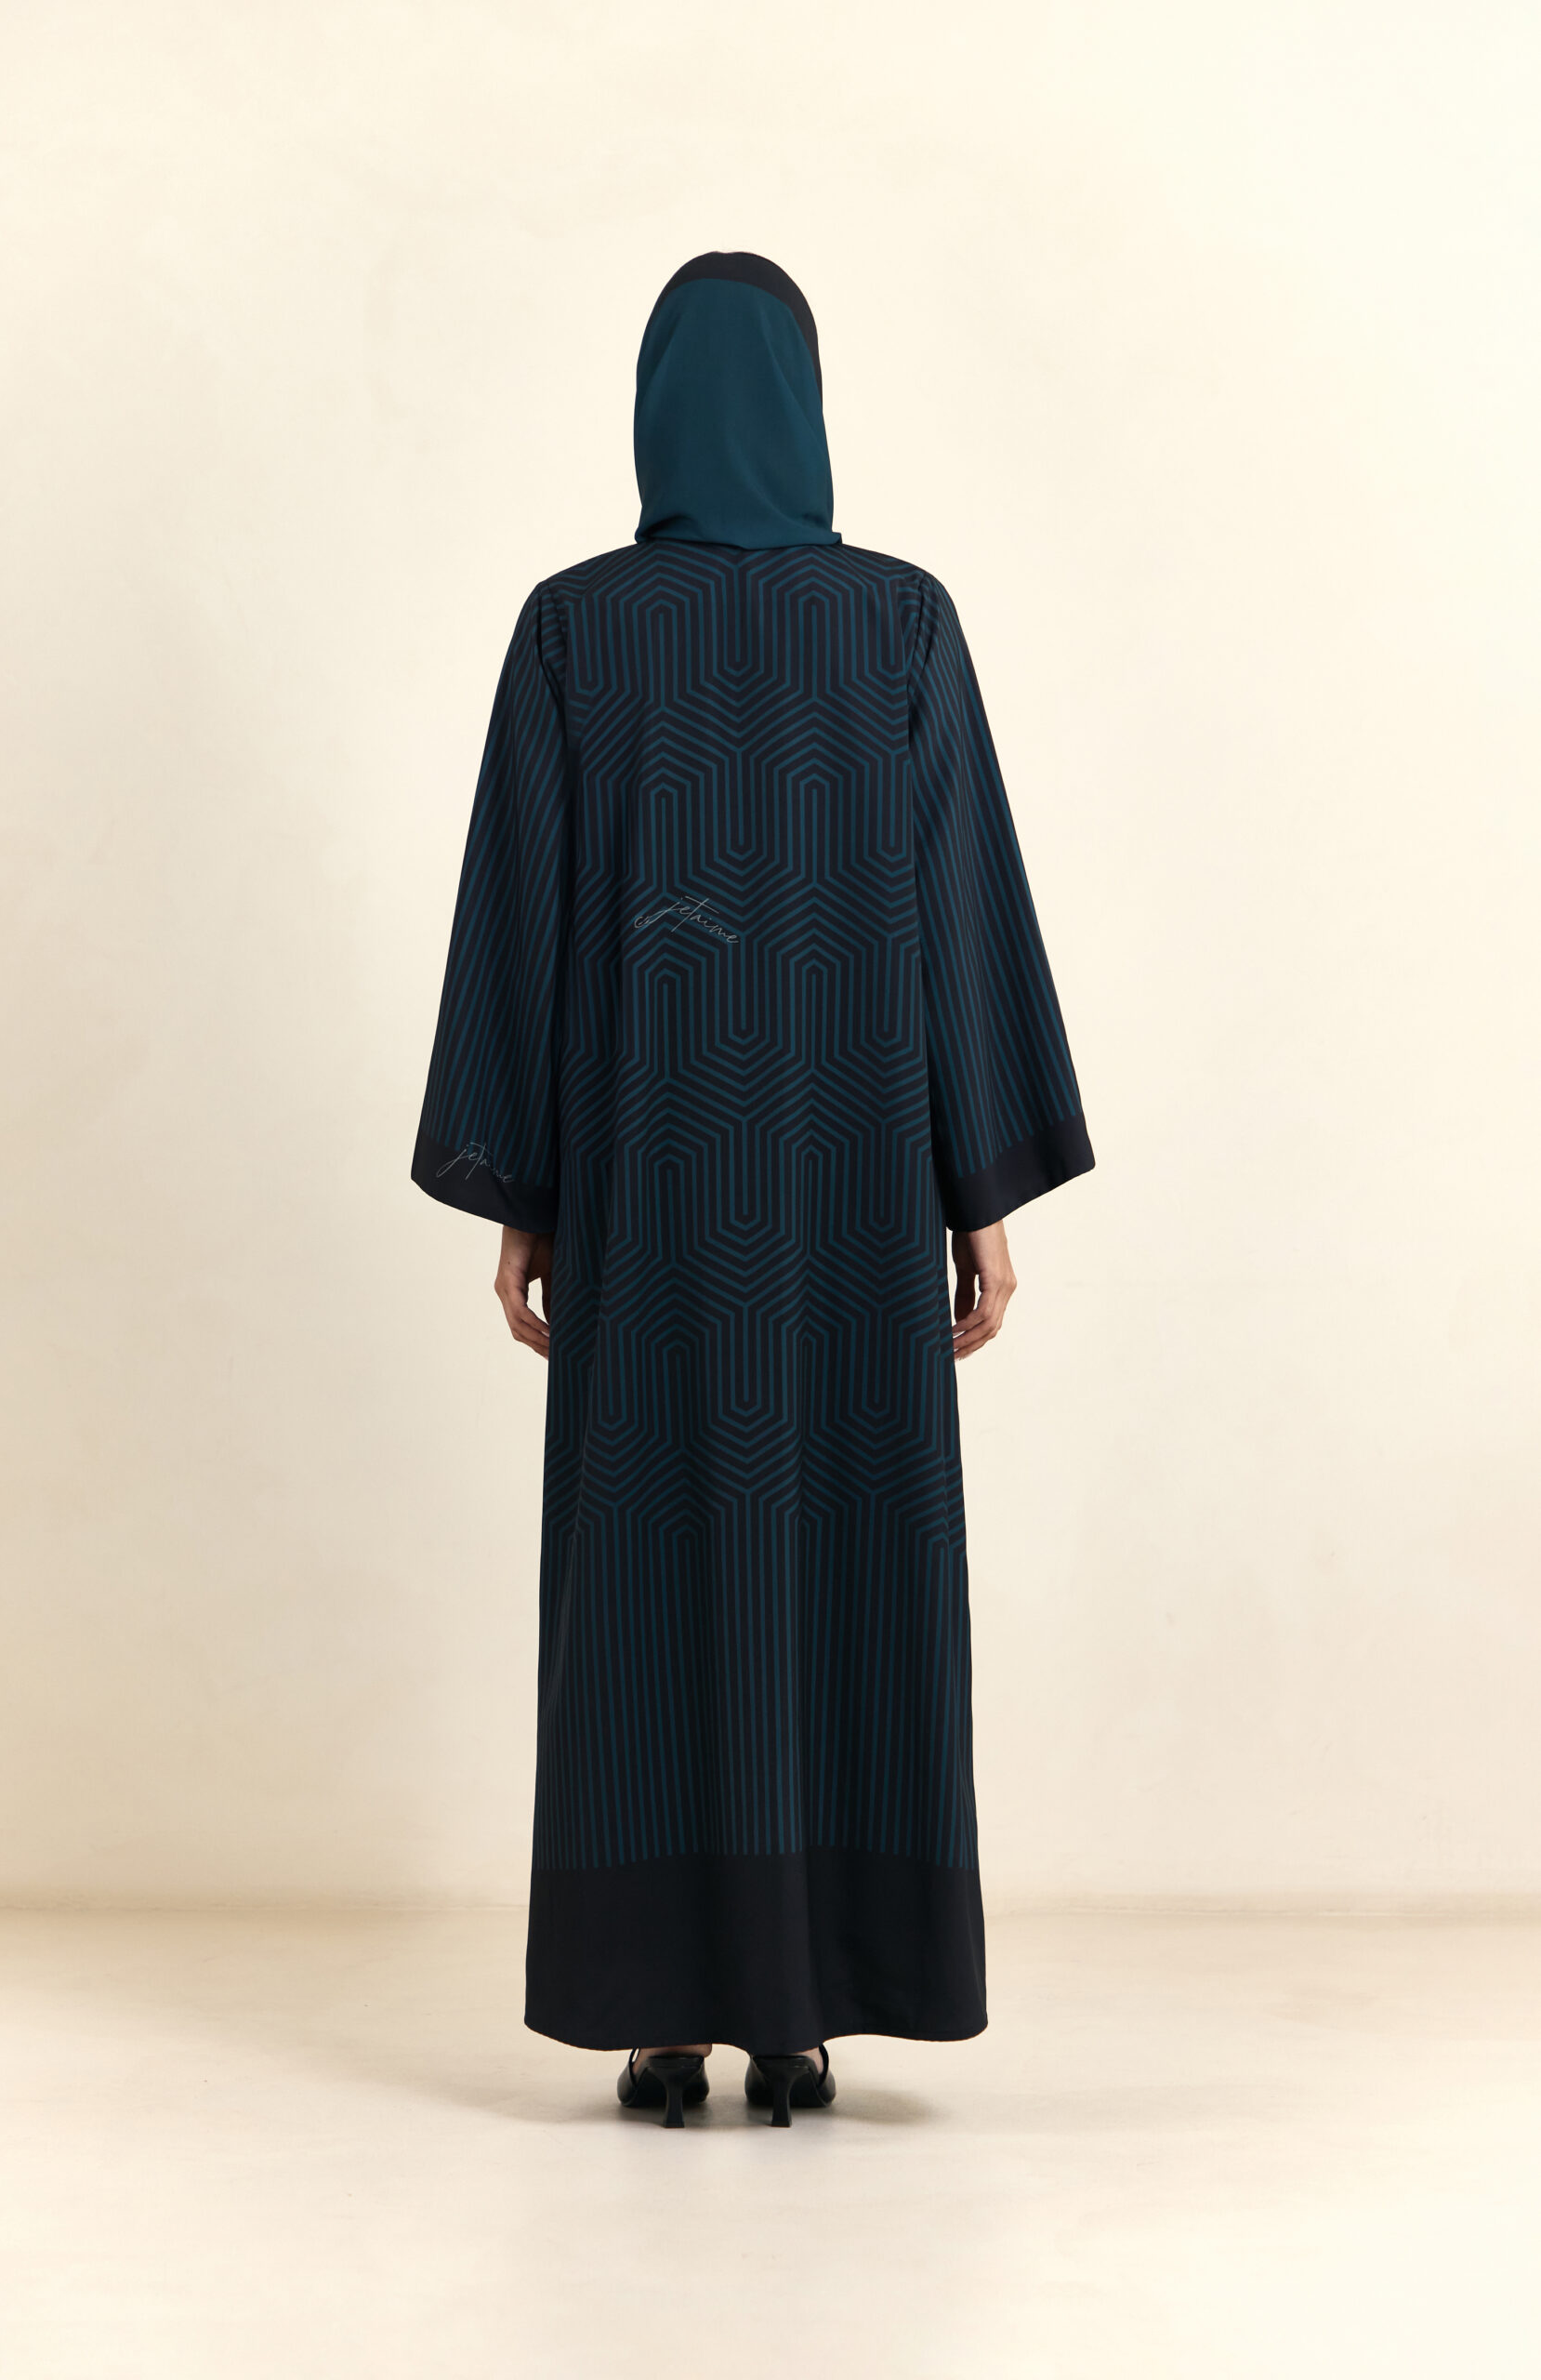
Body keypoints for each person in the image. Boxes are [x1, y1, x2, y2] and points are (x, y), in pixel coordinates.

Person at [413, 252, 1094, 2129]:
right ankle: (809, 2014)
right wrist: (974, 1190)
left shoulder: (575, 628)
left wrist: (528, 1193)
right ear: (805, 403)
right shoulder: (898, 626)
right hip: (850, 1192)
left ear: (657, 406)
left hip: (646, 1190)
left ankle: (662, 2017)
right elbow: (954, 913)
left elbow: (526, 922)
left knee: (652, 1575)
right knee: (843, 1557)